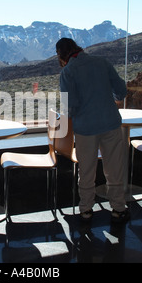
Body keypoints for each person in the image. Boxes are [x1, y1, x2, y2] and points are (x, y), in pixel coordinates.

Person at [57, 38, 129, 223]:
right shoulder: (102, 63)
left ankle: (86, 209)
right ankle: (118, 208)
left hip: (86, 129)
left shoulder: (67, 72)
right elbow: (121, 90)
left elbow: (69, 107)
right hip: (111, 123)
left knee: (87, 171)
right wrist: (108, 98)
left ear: (61, 55)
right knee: (114, 169)